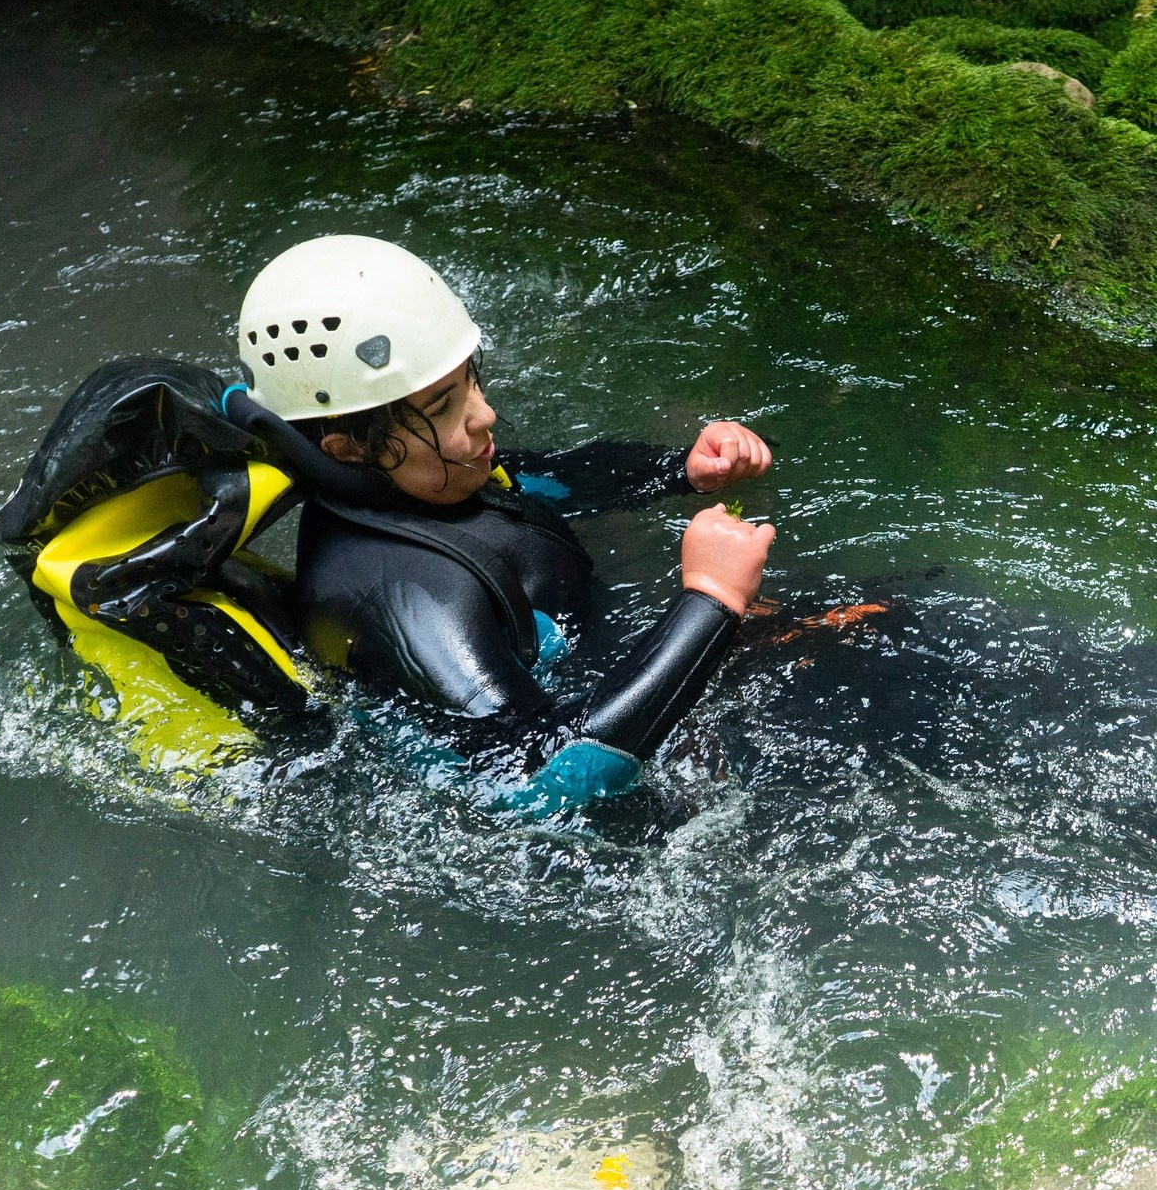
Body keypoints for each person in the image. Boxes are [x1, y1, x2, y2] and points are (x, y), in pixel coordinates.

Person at [233, 234, 774, 814]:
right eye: (443, 406)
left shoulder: (424, 477)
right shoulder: (405, 597)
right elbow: (541, 778)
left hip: (610, 668)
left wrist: (680, 470)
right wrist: (710, 601)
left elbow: (544, 484)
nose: (484, 412)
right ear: (345, 449)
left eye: (471, 378)